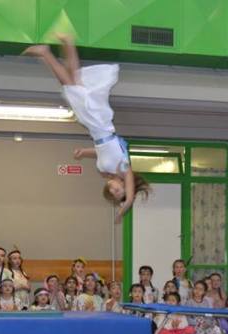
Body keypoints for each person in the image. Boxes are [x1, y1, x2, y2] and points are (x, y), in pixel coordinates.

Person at [23, 36, 150, 222]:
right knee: (70, 87)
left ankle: (67, 43)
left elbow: (101, 150)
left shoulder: (106, 171)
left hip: (95, 128)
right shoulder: (123, 168)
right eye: (118, 191)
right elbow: (129, 193)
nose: (113, 190)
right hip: (100, 123)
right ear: (124, 185)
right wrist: (125, 206)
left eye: (112, 193)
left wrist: (84, 152)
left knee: (75, 82)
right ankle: (46, 53)